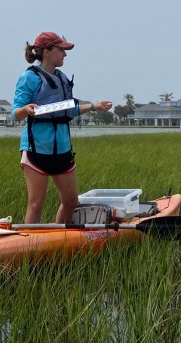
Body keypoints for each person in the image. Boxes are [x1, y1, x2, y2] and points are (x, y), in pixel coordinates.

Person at [12, 32, 113, 224]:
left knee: (70, 201)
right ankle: (31, 247)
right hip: (36, 148)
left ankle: (60, 238)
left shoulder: (62, 78)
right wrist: (26, 109)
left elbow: (68, 110)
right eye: (61, 50)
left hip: (63, 148)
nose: (65, 55)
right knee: (36, 203)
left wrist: (94, 106)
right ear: (47, 52)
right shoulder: (29, 78)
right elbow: (15, 113)